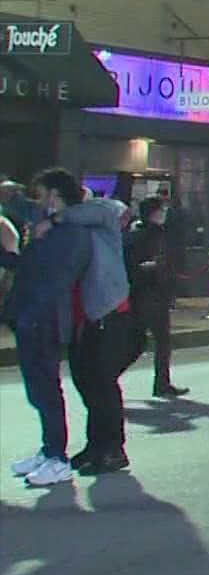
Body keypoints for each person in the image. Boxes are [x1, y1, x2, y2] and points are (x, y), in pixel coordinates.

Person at [3, 172, 129, 484]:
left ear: (57, 195)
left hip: (104, 313)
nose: (39, 202)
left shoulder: (92, 218)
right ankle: (91, 447)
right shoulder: (63, 224)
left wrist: (56, 220)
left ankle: (108, 449)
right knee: (87, 384)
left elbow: (53, 275)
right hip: (80, 316)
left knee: (99, 385)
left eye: (43, 194)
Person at [125, 196, 188, 399]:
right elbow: (133, 265)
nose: (165, 213)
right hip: (147, 293)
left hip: (153, 293)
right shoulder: (142, 235)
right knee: (143, 341)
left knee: (159, 341)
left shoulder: (154, 233)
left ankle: (162, 382)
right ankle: (160, 383)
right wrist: (149, 267)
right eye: (162, 210)